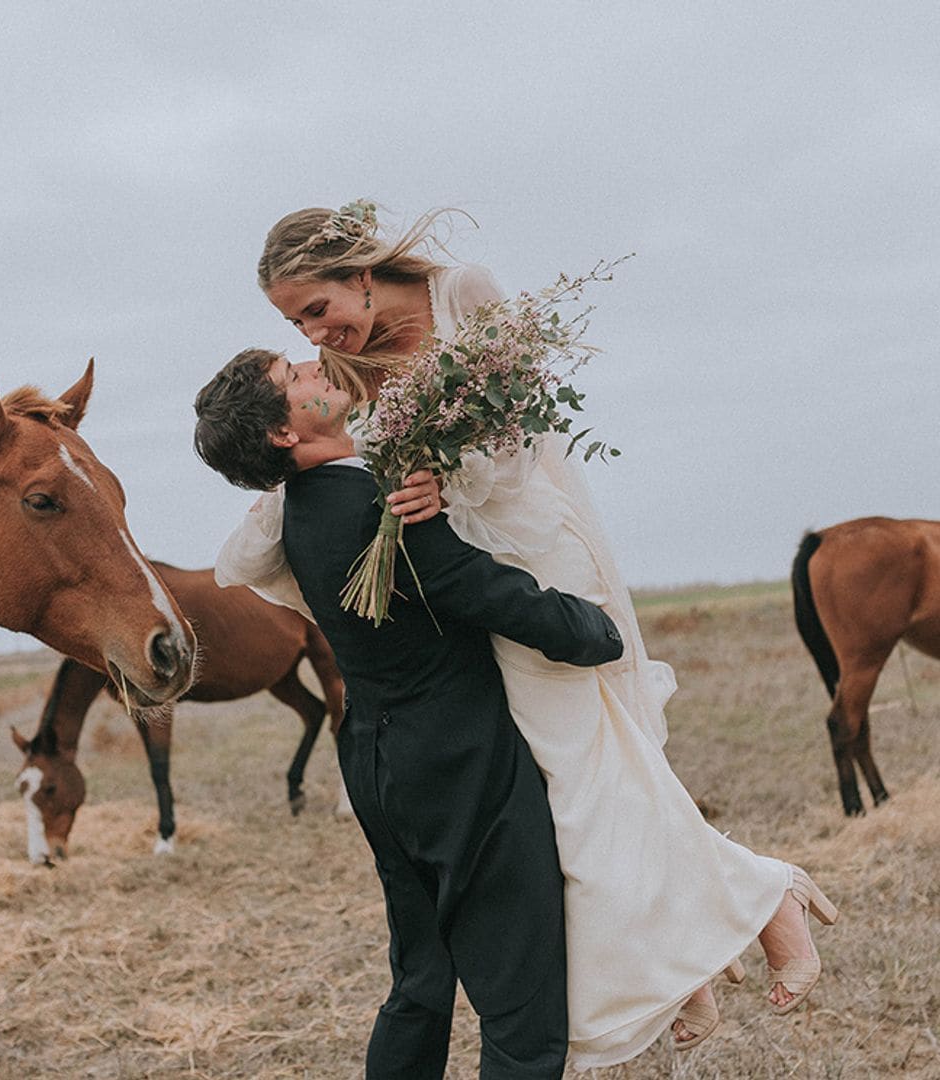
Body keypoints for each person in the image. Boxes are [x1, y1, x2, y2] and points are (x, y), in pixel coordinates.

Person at [217, 202, 840, 1065]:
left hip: (529, 548)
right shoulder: (336, 370)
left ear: (358, 272)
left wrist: (439, 478)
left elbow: (525, 438)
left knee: (592, 760)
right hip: (452, 563)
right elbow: (351, 474)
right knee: (565, 794)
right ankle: (675, 966)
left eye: (316, 310)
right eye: (294, 325)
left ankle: (751, 908)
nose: (317, 336)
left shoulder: (464, 293)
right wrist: (391, 499)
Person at [195, 348, 628, 1080]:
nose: (311, 365)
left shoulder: (305, 509)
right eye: (291, 379)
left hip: (374, 757)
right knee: (522, 1010)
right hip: (456, 768)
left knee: (421, 983)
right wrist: (598, 631)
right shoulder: (370, 509)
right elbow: (480, 588)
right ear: (283, 435)